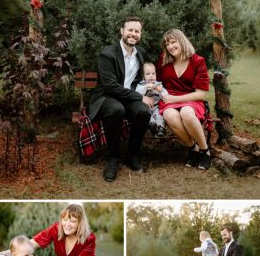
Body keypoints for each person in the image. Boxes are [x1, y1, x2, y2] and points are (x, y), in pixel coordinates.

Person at [87, 15, 152, 182]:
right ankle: (112, 158)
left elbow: (142, 78)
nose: (133, 34)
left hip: (128, 98)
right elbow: (111, 86)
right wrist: (139, 96)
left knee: (144, 111)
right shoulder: (107, 54)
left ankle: (132, 155)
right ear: (122, 31)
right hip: (107, 98)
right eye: (130, 30)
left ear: (140, 34)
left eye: (137, 31)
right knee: (117, 109)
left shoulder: (141, 53)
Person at [156, 27, 212, 170]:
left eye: (173, 42)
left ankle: (205, 150)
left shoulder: (198, 61)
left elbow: (201, 94)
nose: (170, 47)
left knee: (186, 113)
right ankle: (193, 148)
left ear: (182, 41)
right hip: (169, 101)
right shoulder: (163, 60)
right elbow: (157, 82)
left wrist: (174, 99)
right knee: (169, 115)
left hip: (192, 100)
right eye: (167, 44)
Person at [135, 61, 166, 136]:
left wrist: (161, 91)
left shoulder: (158, 84)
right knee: (148, 114)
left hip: (156, 106)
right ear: (143, 76)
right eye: (148, 74)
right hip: (145, 106)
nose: (151, 76)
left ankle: (160, 128)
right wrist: (145, 87)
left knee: (159, 114)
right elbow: (137, 93)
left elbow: (165, 96)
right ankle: (152, 125)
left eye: (153, 73)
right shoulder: (141, 85)